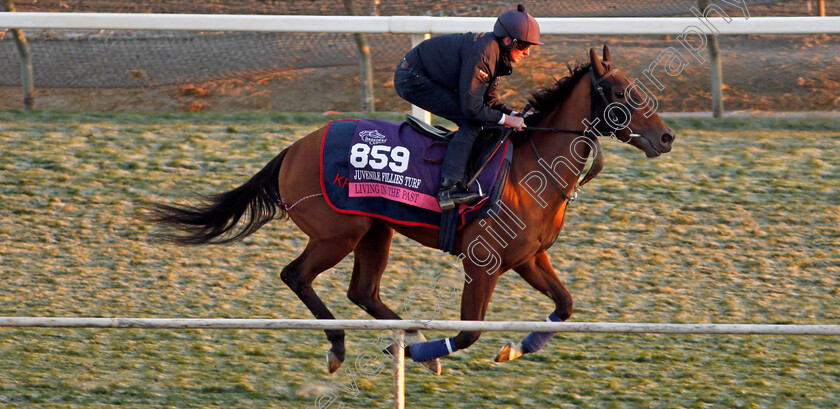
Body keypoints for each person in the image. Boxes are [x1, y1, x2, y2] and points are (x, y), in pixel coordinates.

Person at [394, 4, 542, 210]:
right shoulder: (484, 54)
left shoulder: (496, 53)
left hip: (424, 73)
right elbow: (472, 109)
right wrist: (507, 120)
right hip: (412, 77)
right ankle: (449, 188)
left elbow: (488, 101)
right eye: (524, 46)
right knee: (471, 123)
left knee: (482, 119)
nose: (527, 53)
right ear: (509, 41)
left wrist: (513, 114)